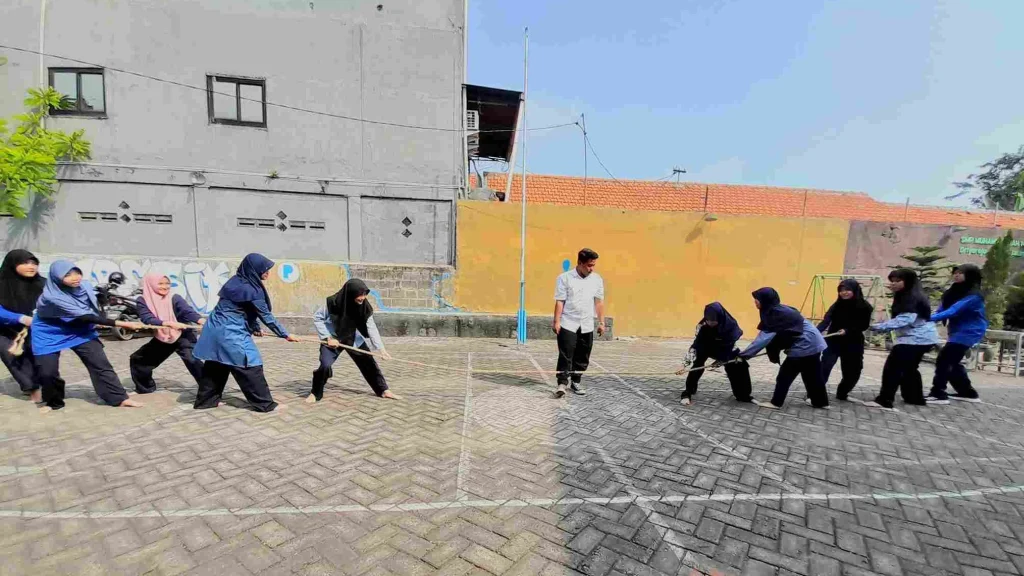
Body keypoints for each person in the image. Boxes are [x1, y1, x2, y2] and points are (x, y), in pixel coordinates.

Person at [32, 260, 146, 411]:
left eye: (77, 272)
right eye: (68, 275)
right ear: (56, 277)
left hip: (79, 329)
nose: (75, 277)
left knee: (100, 364)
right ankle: (53, 401)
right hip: (49, 331)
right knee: (48, 372)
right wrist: (124, 324)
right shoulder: (50, 297)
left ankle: (119, 398)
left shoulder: (84, 286)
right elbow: (85, 315)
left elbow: (92, 306)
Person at [192, 254, 299, 412]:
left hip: (214, 328)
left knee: (216, 363)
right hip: (230, 332)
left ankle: (206, 400)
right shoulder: (251, 289)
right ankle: (265, 404)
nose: (267, 272)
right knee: (250, 364)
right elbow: (266, 316)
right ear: (254, 269)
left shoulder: (235, 281)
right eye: (265, 269)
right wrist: (286, 334)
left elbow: (242, 309)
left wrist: (254, 327)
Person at [306, 278, 398, 402]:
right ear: (350, 294)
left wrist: (381, 349)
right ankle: (315, 393)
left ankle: (383, 390)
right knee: (325, 365)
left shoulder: (364, 306)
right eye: (360, 294)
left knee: (368, 363)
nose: (363, 297)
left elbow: (371, 327)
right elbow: (317, 318)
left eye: (365, 294)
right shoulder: (332, 303)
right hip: (333, 340)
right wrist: (328, 337)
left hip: (353, 338)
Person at [738, 287, 829, 409]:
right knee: (812, 375)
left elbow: (763, 339)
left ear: (766, 300)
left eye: (757, 299)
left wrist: (743, 355)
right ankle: (820, 402)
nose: (755, 302)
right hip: (815, 341)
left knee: (785, 375)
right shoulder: (778, 309)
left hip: (804, 343)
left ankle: (776, 402)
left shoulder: (774, 314)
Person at [866, 268, 939, 409]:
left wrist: (877, 327)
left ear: (908, 281)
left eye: (898, 281)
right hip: (923, 338)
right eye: (892, 281)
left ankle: (885, 399)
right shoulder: (906, 295)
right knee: (910, 368)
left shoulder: (911, 297)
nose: (893, 284)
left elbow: (905, 319)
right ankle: (914, 397)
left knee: (892, 368)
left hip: (915, 339)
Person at [129, 273, 206, 393]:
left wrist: (201, 321)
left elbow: (187, 311)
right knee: (138, 359)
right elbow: (147, 318)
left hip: (183, 335)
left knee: (193, 361)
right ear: (151, 285)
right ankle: (145, 388)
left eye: (167, 283)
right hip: (163, 336)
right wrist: (167, 323)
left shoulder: (174, 297)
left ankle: (211, 394)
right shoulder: (143, 300)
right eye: (160, 284)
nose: (165, 287)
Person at [927, 264, 986, 404]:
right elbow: (942, 310)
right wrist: (929, 318)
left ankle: (938, 392)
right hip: (957, 330)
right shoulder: (952, 292)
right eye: (955, 272)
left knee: (944, 358)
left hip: (970, 331)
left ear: (970, 275)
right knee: (952, 360)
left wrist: (926, 318)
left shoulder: (974, 295)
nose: (956, 275)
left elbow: (954, 310)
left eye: (960, 273)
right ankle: (967, 392)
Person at [552, 248, 605, 398]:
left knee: (583, 354)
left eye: (593, 265)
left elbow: (599, 302)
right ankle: (562, 383)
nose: (591, 268)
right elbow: (560, 301)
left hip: (587, 323)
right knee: (566, 353)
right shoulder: (565, 278)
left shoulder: (597, 279)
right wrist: (556, 321)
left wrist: (601, 322)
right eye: (589, 265)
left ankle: (576, 381)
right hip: (568, 322)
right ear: (580, 263)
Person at [678, 303, 752, 406]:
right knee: (698, 365)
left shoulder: (730, 325)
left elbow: (730, 345)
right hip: (706, 346)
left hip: (725, 347)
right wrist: (684, 364)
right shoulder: (702, 326)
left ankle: (742, 395)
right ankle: (688, 393)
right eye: (708, 321)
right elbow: (696, 346)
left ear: (720, 318)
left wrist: (721, 361)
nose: (710, 323)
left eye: (714, 321)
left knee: (739, 364)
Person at [0, 250, 46, 402]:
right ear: (13, 264)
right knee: (12, 356)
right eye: (25, 263)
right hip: (4, 329)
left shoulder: (43, 284)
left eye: (34, 263)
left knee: (36, 357)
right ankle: (31, 388)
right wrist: (19, 318)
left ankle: (41, 384)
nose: (31, 266)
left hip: (36, 328)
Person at [817, 279, 874, 400]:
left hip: (853, 343)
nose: (844, 293)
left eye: (847, 290)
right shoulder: (837, 305)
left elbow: (863, 325)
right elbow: (826, 321)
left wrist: (848, 331)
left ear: (855, 290)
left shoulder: (865, 307)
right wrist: (815, 333)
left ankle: (842, 393)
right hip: (833, 341)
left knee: (853, 371)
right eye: (841, 290)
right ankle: (814, 394)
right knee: (824, 367)